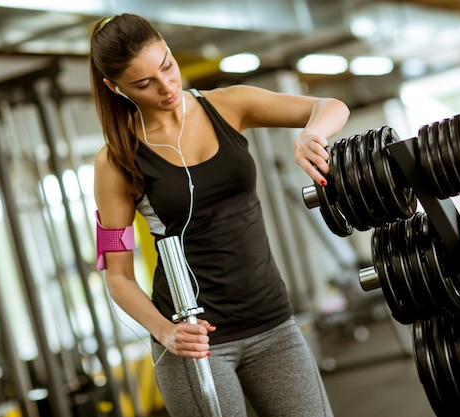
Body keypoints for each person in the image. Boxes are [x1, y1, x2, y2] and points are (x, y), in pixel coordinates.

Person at [89, 13, 350, 417]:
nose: (167, 87)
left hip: (273, 323)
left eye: (167, 66)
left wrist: (312, 134)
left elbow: (329, 105)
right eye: (144, 84)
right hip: (196, 343)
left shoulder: (228, 105)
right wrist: (165, 332)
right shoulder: (116, 160)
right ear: (114, 87)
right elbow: (117, 274)